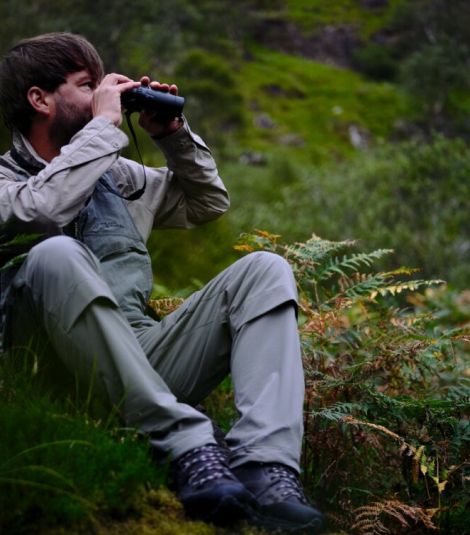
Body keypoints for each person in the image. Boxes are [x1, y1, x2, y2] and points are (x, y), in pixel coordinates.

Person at [0, 32, 323, 533]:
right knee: (57, 254)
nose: (105, 91)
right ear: (39, 99)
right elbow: (44, 207)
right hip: (46, 365)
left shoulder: (116, 176)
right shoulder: (4, 183)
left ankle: (266, 467)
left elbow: (206, 204)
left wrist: (171, 134)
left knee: (265, 269)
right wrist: (105, 124)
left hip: (137, 355)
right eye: (88, 85)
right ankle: (188, 446)